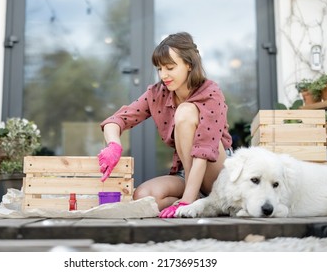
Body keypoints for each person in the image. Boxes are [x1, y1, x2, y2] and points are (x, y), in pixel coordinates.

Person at [97, 32, 233, 218]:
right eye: (160, 69)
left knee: (185, 111)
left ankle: (192, 200)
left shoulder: (211, 93)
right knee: (143, 197)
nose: (164, 75)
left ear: (189, 65)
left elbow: (203, 153)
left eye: (170, 67)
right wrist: (114, 145)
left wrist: (186, 200)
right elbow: (118, 119)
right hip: (187, 172)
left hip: (217, 172)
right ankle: (201, 203)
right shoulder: (157, 93)